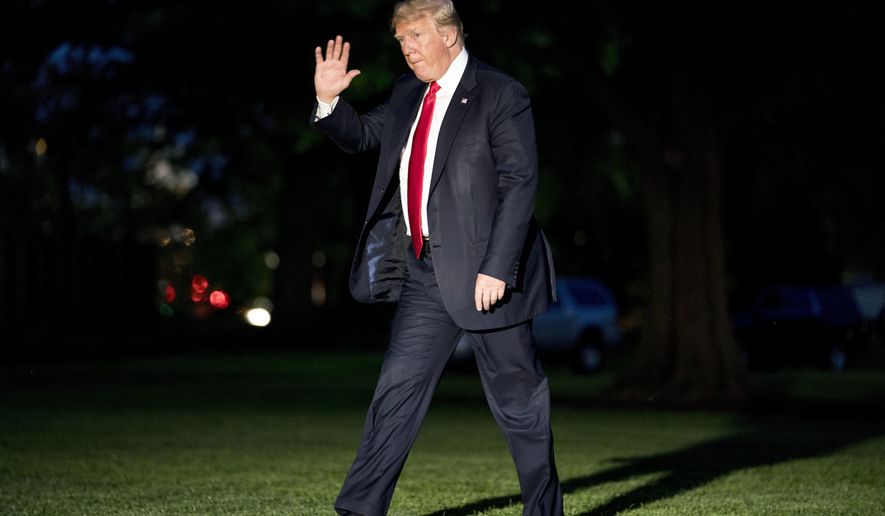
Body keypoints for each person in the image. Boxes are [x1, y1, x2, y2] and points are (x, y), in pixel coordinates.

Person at [311, 1, 563, 515]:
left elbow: (519, 183)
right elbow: (363, 136)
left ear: (449, 35)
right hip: (424, 275)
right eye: (401, 39)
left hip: (489, 280)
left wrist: (498, 267)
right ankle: (359, 509)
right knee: (395, 393)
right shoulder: (408, 93)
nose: (408, 49)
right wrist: (329, 101)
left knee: (520, 407)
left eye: (417, 36)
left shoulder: (500, 93)